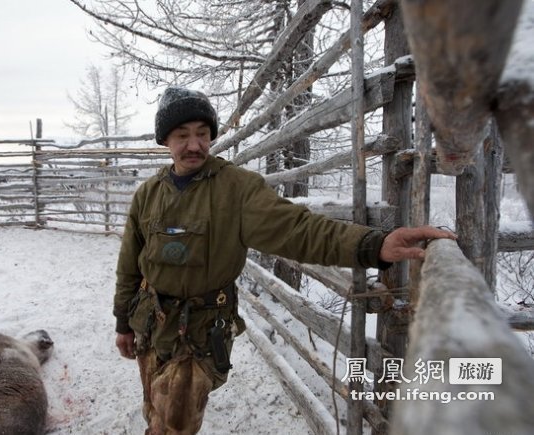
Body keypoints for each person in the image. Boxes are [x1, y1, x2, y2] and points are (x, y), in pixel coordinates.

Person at [113, 86, 456, 434]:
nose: (195, 145)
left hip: (197, 335)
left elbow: (299, 230)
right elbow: (130, 264)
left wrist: (373, 245)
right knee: (153, 408)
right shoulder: (149, 194)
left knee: (173, 427)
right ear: (165, 140)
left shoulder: (236, 189)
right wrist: (123, 321)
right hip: (151, 325)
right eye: (182, 135)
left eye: (203, 134)